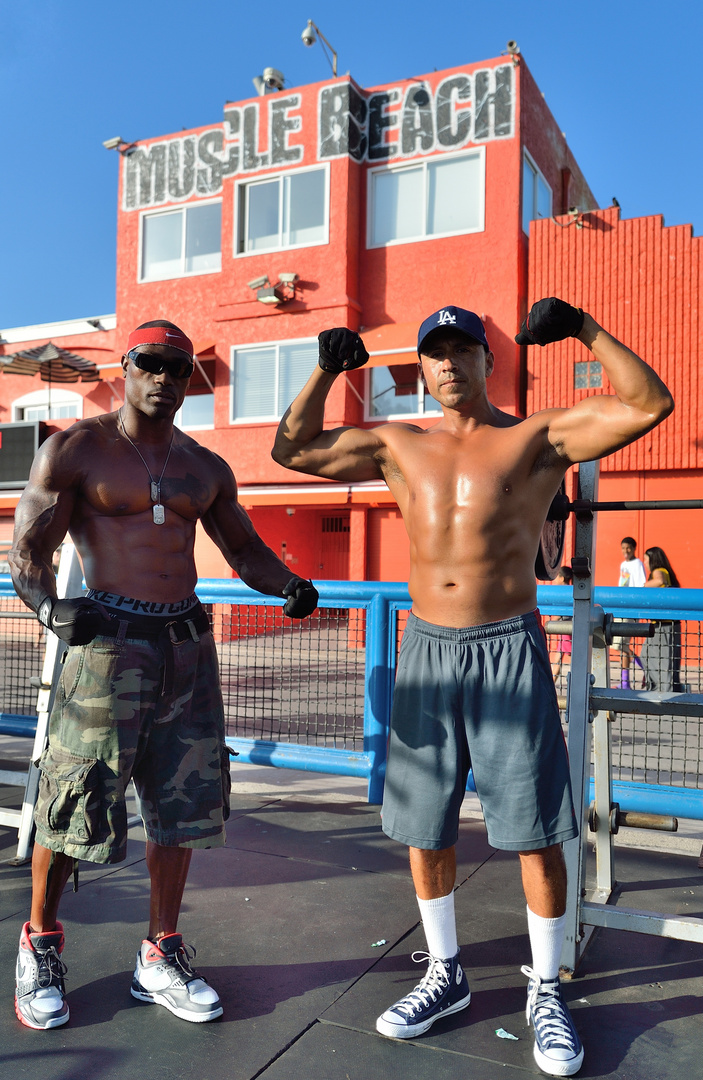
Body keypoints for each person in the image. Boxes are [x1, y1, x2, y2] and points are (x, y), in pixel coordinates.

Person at [272, 298, 673, 1077]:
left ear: (489, 361)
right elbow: (292, 449)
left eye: (462, 351)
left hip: (504, 647)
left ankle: (545, 988)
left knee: (531, 827)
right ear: (419, 368)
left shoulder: (533, 437)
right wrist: (325, 367)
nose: (448, 364)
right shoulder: (397, 443)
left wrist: (586, 328)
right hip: (425, 648)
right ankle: (444, 973)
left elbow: (648, 404)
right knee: (426, 827)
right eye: (434, 353)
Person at [9, 320, 318, 1031]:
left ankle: (160, 951)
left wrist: (287, 584)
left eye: (180, 368)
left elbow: (242, 548)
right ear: (126, 367)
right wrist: (50, 610)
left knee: (180, 802)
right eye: (151, 363)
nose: (165, 378)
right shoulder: (77, 449)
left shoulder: (204, 467)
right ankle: (40, 943)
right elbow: (26, 546)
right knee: (74, 795)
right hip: (106, 646)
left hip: (185, 646)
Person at [640, 546, 682, 692]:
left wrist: (641, 587)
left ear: (653, 559)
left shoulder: (659, 571)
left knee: (665, 662)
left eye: (646, 559)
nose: (644, 562)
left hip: (664, 626)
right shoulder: (665, 572)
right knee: (645, 654)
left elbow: (659, 581)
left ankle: (666, 692)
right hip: (659, 625)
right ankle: (656, 687)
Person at [616, 537, 647, 688]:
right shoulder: (623, 565)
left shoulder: (638, 564)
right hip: (622, 607)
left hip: (631, 608)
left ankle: (625, 683)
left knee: (622, 645)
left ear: (634, 548)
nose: (625, 551)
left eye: (628, 548)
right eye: (623, 548)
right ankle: (645, 669)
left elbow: (642, 585)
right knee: (620, 645)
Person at [550, 566, 573, 683]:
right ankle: (552, 681)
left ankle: (552, 682)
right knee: (560, 656)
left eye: (556, 577)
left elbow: (560, 611)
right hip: (570, 627)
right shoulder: (572, 590)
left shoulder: (563, 592)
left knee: (561, 656)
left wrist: (551, 623)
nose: (554, 580)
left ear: (562, 578)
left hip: (566, 628)